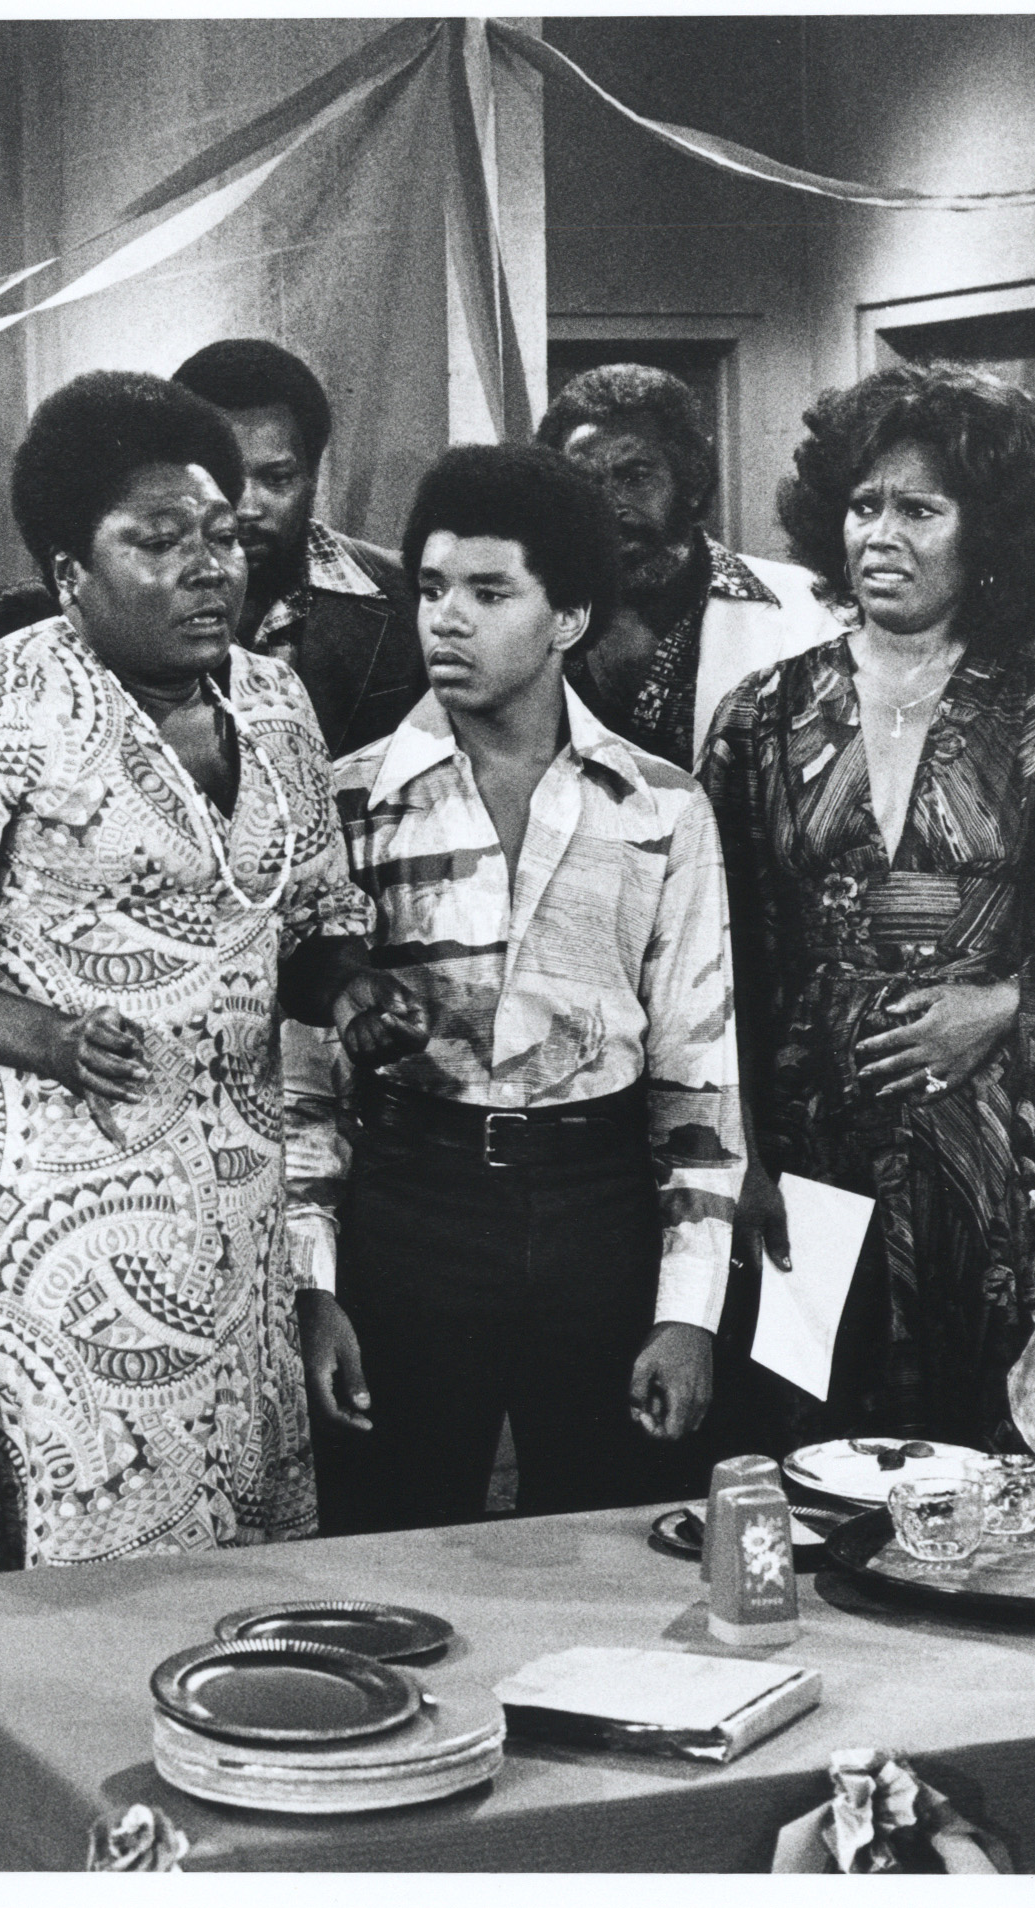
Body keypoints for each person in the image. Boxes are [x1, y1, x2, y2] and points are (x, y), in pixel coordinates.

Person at [0, 371, 416, 1579]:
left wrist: (351, 991)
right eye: (157, 543)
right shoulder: (2, 693)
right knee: (89, 1536)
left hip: (235, 1192)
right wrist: (41, 1035)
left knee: (226, 1541)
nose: (209, 568)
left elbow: (302, 920)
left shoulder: (276, 700)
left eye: (220, 536)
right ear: (68, 572)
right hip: (53, 1201)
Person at [702, 361, 1035, 1451]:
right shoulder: (763, 716)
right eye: (865, 504)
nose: (880, 534)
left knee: (1001, 1442)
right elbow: (704, 955)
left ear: (988, 536)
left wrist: (1005, 1006)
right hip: (809, 1149)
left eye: (918, 509)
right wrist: (733, 1153)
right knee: (812, 1440)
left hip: (996, 1146)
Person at [287, 444, 745, 1532]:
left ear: (569, 619)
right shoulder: (346, 804)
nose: (447, 620)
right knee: (389, 1537)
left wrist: (690, 1312)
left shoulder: (659, 809)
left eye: (491, 593)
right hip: (411, 1199)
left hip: (596, 1207)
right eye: (432, 589)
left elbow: (699, 1074)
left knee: (611, 1543)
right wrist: (315, 1283)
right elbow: (298, 1084)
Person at [537, 363, 842, 769]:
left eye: (635, 477)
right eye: (584, 484)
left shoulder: (810, 608)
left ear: (693, 482)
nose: (609, 506)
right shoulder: (528, 611)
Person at [171, 337, 426, 757]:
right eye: (224, 476)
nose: (247, 507)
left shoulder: (408, 597)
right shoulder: (141, 598)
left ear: (313, 475)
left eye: (276, 479)